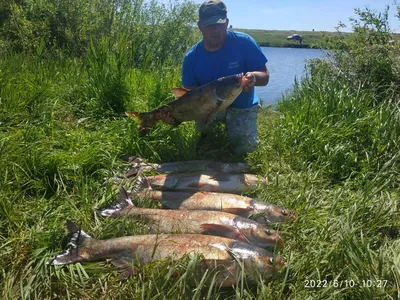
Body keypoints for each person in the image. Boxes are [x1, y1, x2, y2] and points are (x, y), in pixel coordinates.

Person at [182, 0, 270, 156]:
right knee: (204, 149)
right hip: (210, 106)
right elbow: (190, 92)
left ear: (227, 23)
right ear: (200, 26)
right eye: (209, 25)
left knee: (246, 151)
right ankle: (206, 134)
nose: (215, 30)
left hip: (242, 106)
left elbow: (265, 76)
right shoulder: (191, 57)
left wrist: (254, 77)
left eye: (220, 24)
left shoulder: (244, 42)